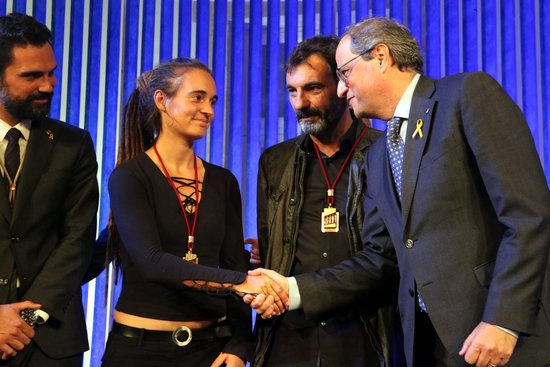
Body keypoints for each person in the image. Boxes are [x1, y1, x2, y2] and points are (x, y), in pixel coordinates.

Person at [251, 17, 550, 367]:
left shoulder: (466, 95)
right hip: (425, 345)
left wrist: (503, 320)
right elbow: (383, 256)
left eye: (346, 74)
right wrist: (293, 290)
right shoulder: (377, 155)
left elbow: (528, 216)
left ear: (380, 56)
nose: (343, 90)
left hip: (496, 336)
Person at [103, 58, 285, 367]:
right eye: (197, 97)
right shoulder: (130, 176)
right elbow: (152, 263)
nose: (209, 110)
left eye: (212, 100)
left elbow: (233, 259)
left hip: (209, 352)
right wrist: (241, 281)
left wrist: (241, 344)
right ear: (162, 100)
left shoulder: (223, 180)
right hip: (138, 351)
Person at [252, 35, 397, 367]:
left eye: (313, 88)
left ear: (343, 85)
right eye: (292, 91)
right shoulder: (274, 161)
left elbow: (390, 256)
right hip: (288, 338)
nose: (300, 103)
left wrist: (295, 290)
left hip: (366, 336)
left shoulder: (387, 151)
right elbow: (270, 249)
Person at [0, 12, 98, 366]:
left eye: (51, 72)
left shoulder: (74, 144)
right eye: (32, 76)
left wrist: (22, 322)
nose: (48, 85)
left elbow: (77, 240)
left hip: (51, 341)